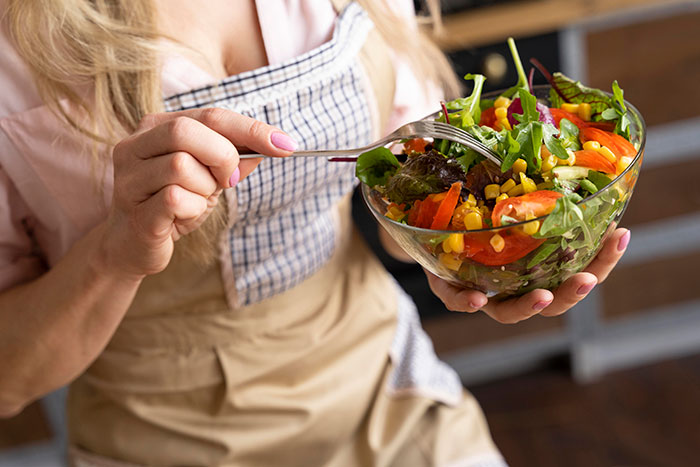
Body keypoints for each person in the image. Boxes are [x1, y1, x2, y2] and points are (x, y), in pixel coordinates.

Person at [0, 0, 630, 465]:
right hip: (163, 438)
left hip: (385, 391)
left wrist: (477, 258)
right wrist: (117, 253)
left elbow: (408, 192)